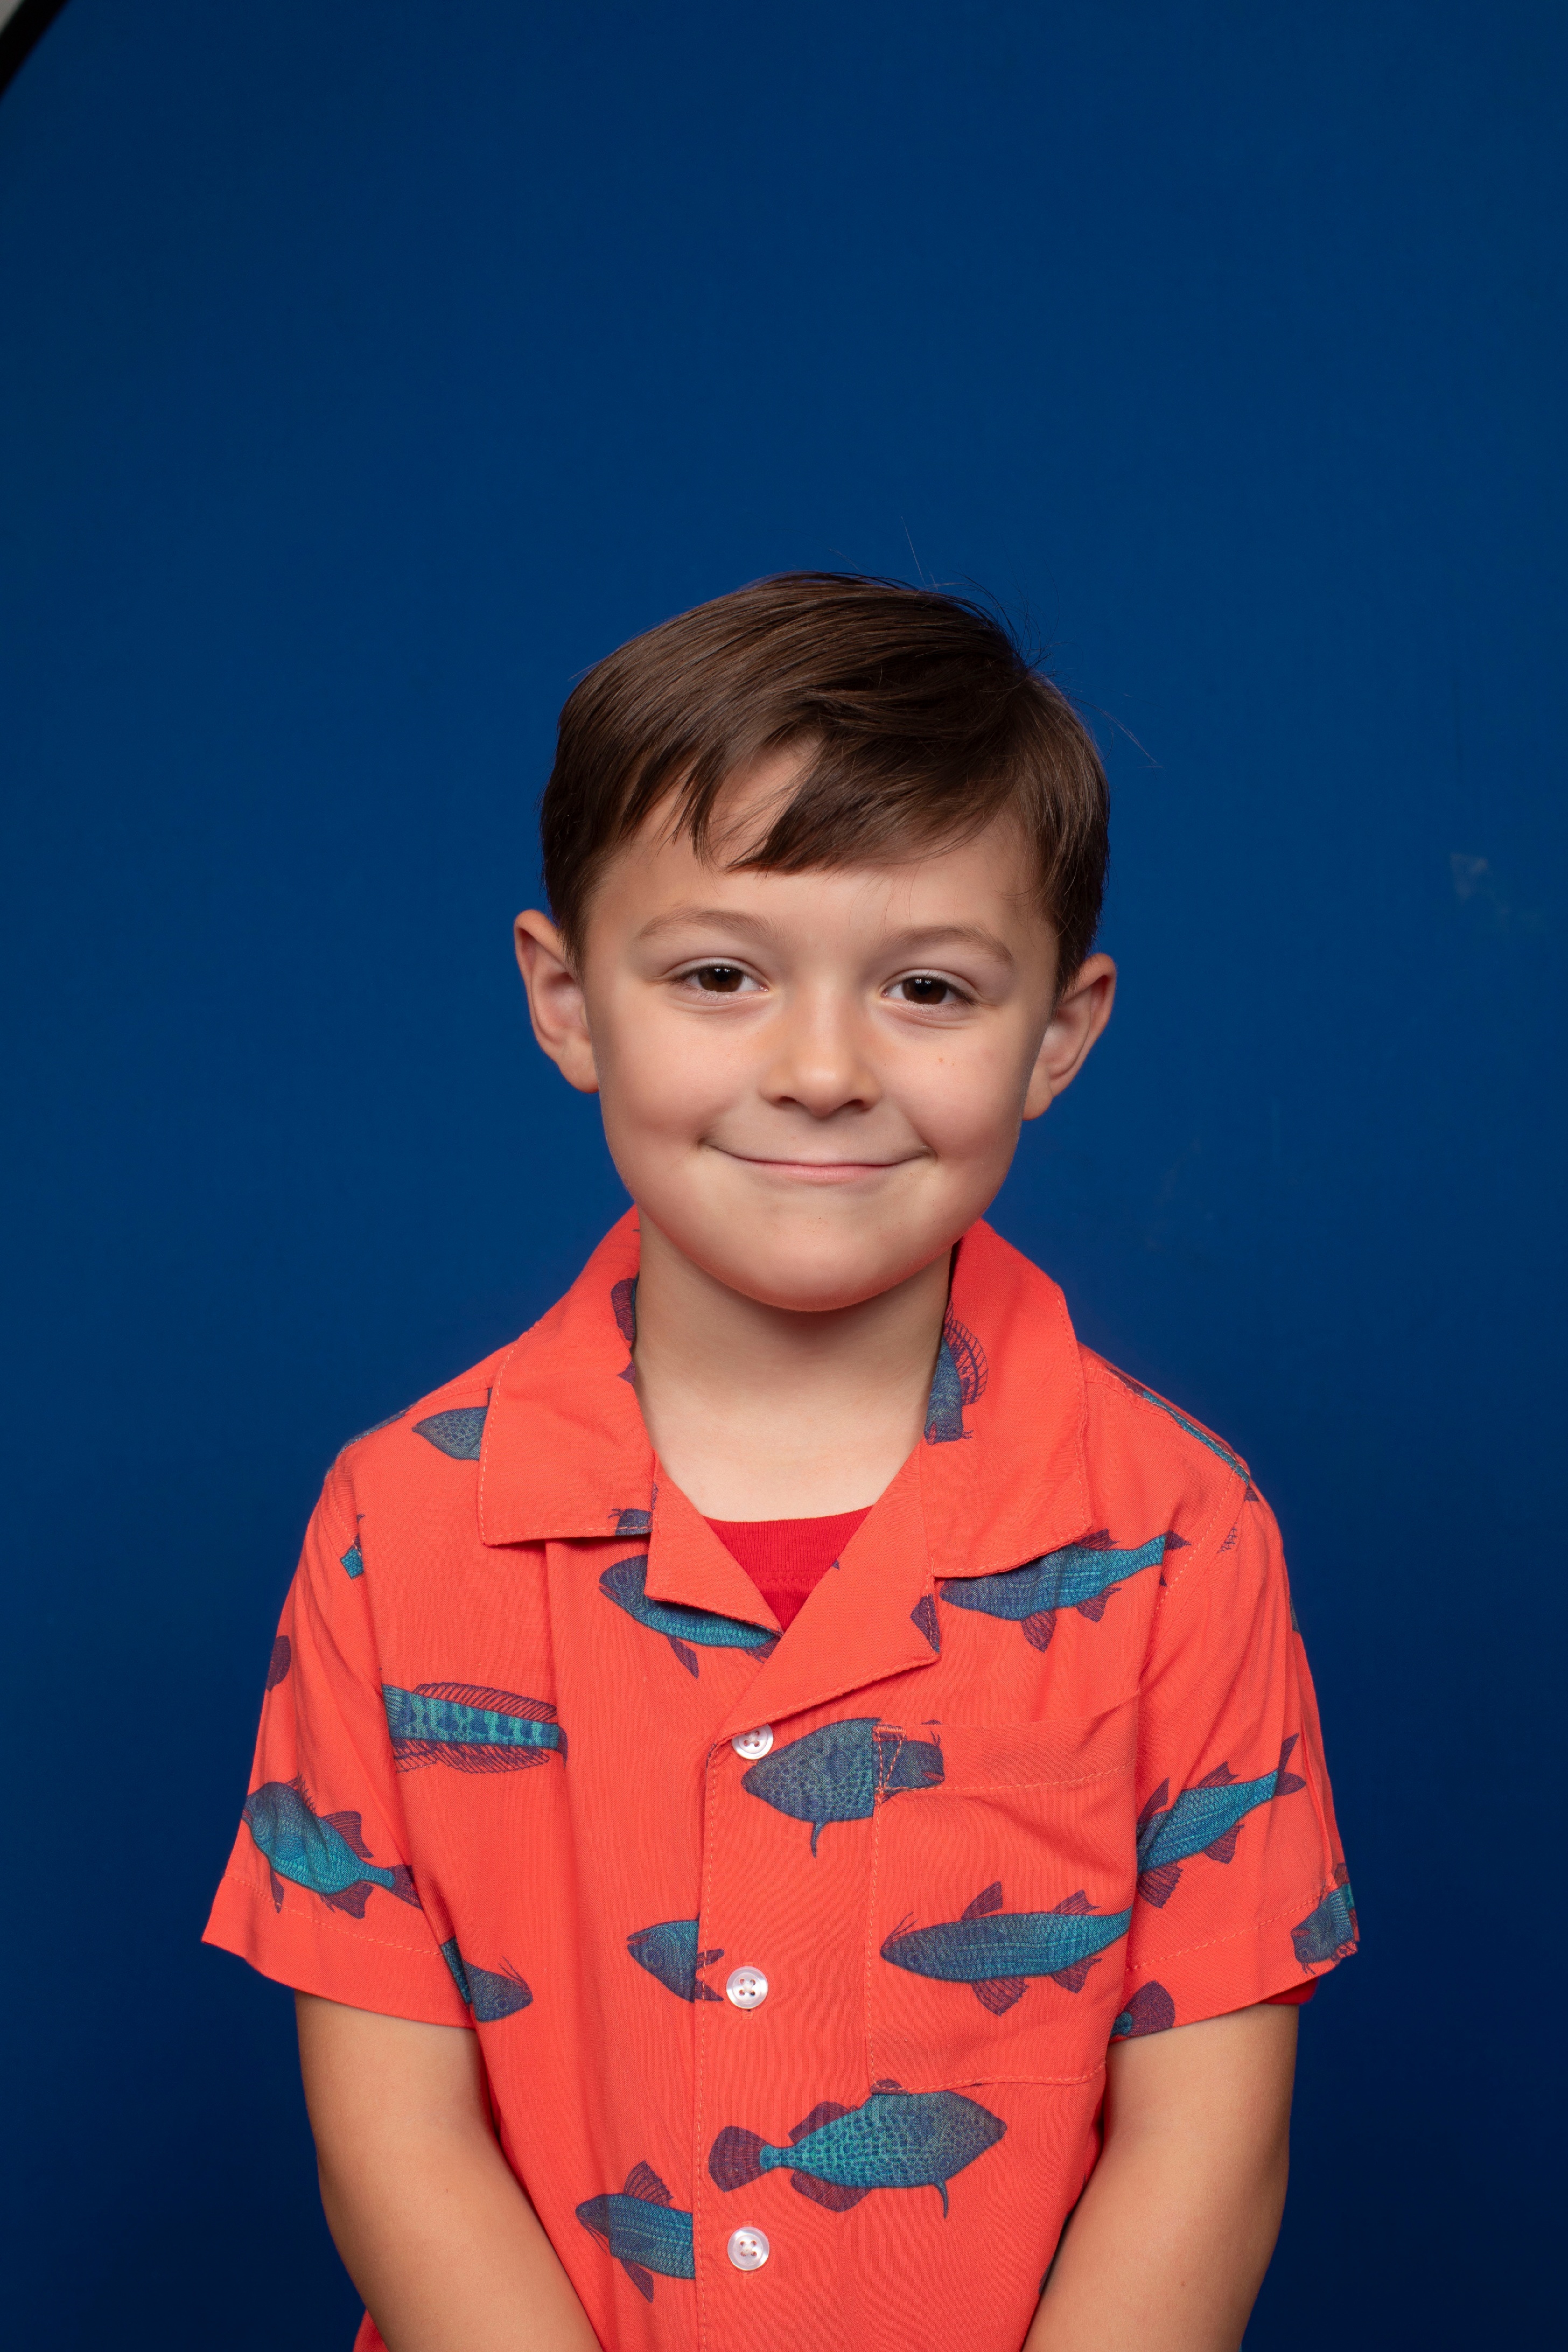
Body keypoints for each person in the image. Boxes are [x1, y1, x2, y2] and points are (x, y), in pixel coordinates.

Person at [205, 573, 1356, 2352]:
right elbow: (398, 2138)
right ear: (567, 999)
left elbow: (1203, 2147)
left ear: (1059, 1035)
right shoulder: (399, 1520)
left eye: (928, 988)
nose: (823, 1070)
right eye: (721, 976)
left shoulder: (1181, 1532)